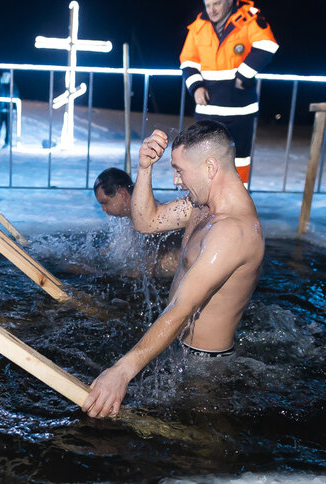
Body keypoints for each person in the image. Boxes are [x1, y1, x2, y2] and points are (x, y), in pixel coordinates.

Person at [82, 121, 265, 418]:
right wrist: (144, 169)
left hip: (206, 369)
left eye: (179, 171)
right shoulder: (201, 208)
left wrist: (122, 370)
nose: (177, 181)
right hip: (179, 348)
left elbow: (182, 308)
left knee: (195, 453)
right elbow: (146, 222)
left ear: (209, 167)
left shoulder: (233, 232)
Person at [179, 0, 278, 187]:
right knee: (203, 158)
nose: (211, 10)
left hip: (240, 111)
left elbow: (267, 45)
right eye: (208, 5)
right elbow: (187, 61)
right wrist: (196, 87)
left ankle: (239, 207)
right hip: (207, 110)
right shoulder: (198, 25)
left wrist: (243, 75)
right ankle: (205, 204)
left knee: (239, 160)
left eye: (216, 4)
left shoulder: (248, 18)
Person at [0, 71, 18, 149]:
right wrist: (0, 84)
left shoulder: (13, 85)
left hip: (9, 110)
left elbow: (15, 95)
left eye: (7, 75)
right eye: (4, 75)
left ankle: (7, 142)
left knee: (8, 128)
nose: (6, 76)